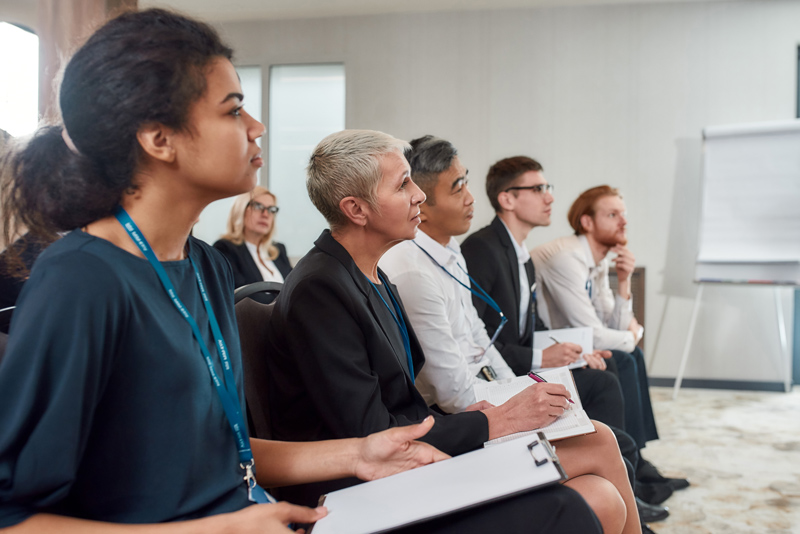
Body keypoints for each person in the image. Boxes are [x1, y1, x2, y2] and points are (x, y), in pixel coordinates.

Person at [0, 9, 454, 533]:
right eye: (233, 110)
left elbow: (224, 449)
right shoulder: (81, 278)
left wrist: (357, 454)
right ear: (158, 139)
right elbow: (13, 517)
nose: (256, 127)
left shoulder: (206, 265)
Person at [266, 129, 641, 534]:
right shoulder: (320, 289)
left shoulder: (370, 274)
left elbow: (401, 404)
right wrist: (494, 422)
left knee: (599, 443)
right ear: (357, 209)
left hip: (411, 452)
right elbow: (371, 434)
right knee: (598, 495)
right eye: (403, 184)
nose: (419, 195)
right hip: (362, 489)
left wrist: (484, 415)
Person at [458, 155, 671, 525]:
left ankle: (627, 479)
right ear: (507, 198)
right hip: (498, 374)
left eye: (548, 188)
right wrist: (544, 356)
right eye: (538, 188)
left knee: (607, 366)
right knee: (607, 376)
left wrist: (572, 350)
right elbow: (477, 339)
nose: (550, 197)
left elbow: (533, 323)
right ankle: (622, 483)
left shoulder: (520, 255)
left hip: (522, 358)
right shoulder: (483, 248)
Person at [531, 185, 689, 492]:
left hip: (576, 343)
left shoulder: (598, 262)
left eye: (623, 214)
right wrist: (631, 336)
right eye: (613, 214)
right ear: (587, 222)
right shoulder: (568, 257)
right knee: (625, 356)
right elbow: (595, 333)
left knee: (633, 356)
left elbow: (606, 322)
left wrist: (625, 282)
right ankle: (629, 465)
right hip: (548, 348)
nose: (623, 222)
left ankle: (637, 459)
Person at [213, 186, 292, 295]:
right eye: (258, 206)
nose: (265, 214)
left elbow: (294, 290)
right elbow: (243, 297)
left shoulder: (279, 250)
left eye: (271, 209)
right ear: (240, 210)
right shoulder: (225, 248)